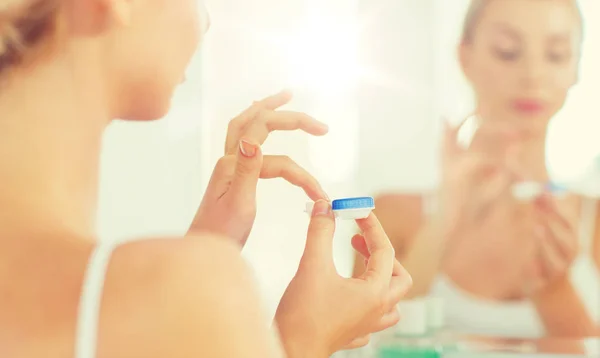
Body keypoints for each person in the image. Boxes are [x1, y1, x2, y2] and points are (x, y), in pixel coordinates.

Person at [0, 0, 413, 357]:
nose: (206, 20)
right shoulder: (199, 291)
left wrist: (211, 242)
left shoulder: (178, 290)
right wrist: (303, 341)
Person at [356, 0, 600, 338]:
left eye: (556, 54)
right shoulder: (391, 216)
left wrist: (556, 294)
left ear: (575, 69)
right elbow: (358, 343)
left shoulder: (594, 221)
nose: (533, 74)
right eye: (508, 51)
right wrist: (444, 219)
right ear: (464, 58)